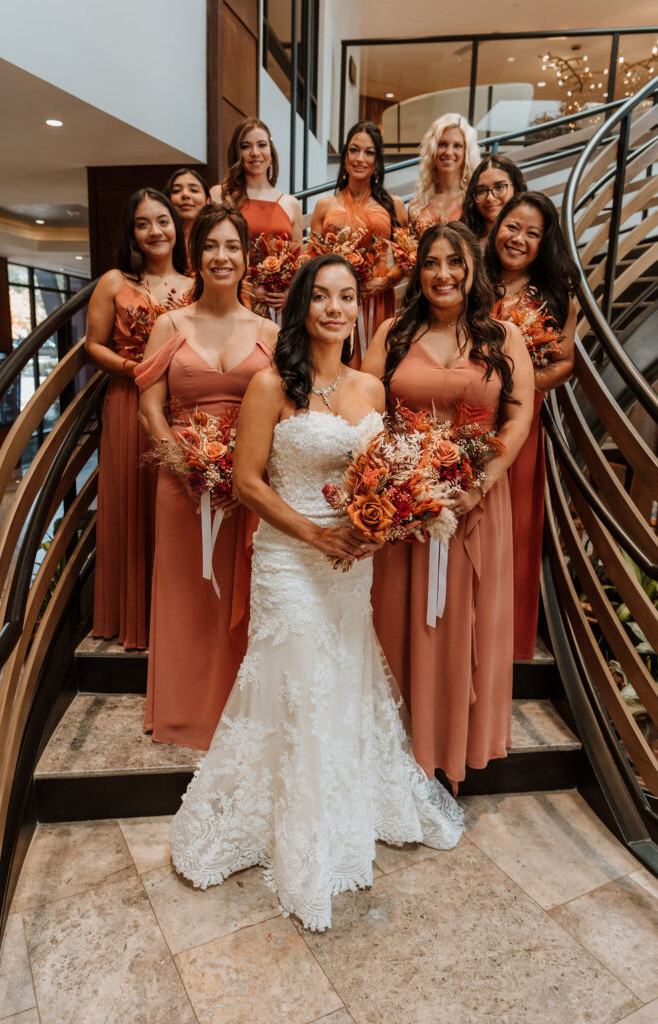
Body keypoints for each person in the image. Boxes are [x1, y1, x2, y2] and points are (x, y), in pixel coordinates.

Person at [169, 254, 464, 931]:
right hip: (288, 559)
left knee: (341, 679)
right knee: (298, 678)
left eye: (345, 297)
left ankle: (345, 807)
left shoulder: (371, 388)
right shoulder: (273, 384)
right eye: (321, 296)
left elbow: (383, 478)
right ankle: (299, 841)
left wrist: (381, 526)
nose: (334, 308)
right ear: (300, 306)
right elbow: (247, 482)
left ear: (356, 308)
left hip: (351, 563)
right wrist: (314, 534)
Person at [362, 222, 534, 792]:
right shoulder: (392, 331)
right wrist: (391, 476)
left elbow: (517, 418)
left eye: (454, 262)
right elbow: (362, 409)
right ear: (419, 272)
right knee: (396, 618)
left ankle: (452, 749)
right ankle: (396, 753)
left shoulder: (503, 337)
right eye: (431, 263)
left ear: (472, 270)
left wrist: (480, 483)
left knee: (464, 623)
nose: (442, 274)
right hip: (403, 505)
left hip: (474, 504)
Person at [136, 204, 277, 748]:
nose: (222, 256)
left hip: (246, 487)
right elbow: (151, 406)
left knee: (240, 597)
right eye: (211, 246)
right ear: (196, 257)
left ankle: (235, 713)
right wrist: (188, 468)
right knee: (185, 594)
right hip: (180, 483)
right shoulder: (170, 325)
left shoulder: (268, 330)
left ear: (247, 257)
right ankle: (180, 713)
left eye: (232, 247)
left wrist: (238, 474)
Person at [87, 188, 192, 650]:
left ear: (177, 226)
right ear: (132, 232)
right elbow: (92, 346)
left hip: (181, 405)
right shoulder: (114, 281)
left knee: (173, 498)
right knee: (132, 499)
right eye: (144, 223)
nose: (156, 231)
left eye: (163, 220)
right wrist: (137, 369)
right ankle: (131, 616)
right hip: (129, 399)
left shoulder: (194, 284)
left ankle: (176, 612)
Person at [485, 192, 578, 660]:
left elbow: (564, 363)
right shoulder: (473, 280)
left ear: (544, 244)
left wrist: (518, 386)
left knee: (515, 531)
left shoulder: (556, 296)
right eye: (512, 227)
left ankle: (506, 643)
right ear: (497, 226)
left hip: (523, 421)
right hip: (470, 418)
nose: (518, 239)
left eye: (532, 233)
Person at [310, 121, 407, 367]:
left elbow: (405, 259)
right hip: (335, 300)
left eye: (369, 152)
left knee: (375, 363)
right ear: (345, 157)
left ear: (377, 161)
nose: (360, 158)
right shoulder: (324, 206)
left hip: (377, 298)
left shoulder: (393, 205)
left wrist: (386, 281)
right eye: (354, 150)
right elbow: (312, 259)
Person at [211, 117, 303, 316]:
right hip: (235, 302)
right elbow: (211, 252)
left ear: (270, 152)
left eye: (262, 145)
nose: (255, 152)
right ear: (238, 153)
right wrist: (247, 289)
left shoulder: (290, 203)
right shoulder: (221, 196)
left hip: (281, 309)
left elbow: (298, 262)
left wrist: (289, 294)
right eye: (246, 146)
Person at [408, 114, 480, 233]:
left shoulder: (475, 200)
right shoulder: (417, 205)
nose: (449, 152)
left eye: (457, 146)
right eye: (443, 144)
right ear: (432, 149)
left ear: (466, 152)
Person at [461, 155, 527, 248]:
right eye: (481, 190)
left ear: (516, 188)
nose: (490, 198)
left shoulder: (530, 238)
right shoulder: (463, 241)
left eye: (499, 187)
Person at [163, 167, 211, 245]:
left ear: (208, 201)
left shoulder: (217, 235)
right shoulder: (161, 238)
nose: (185, 194)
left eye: (194, 190)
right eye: (177, 190)